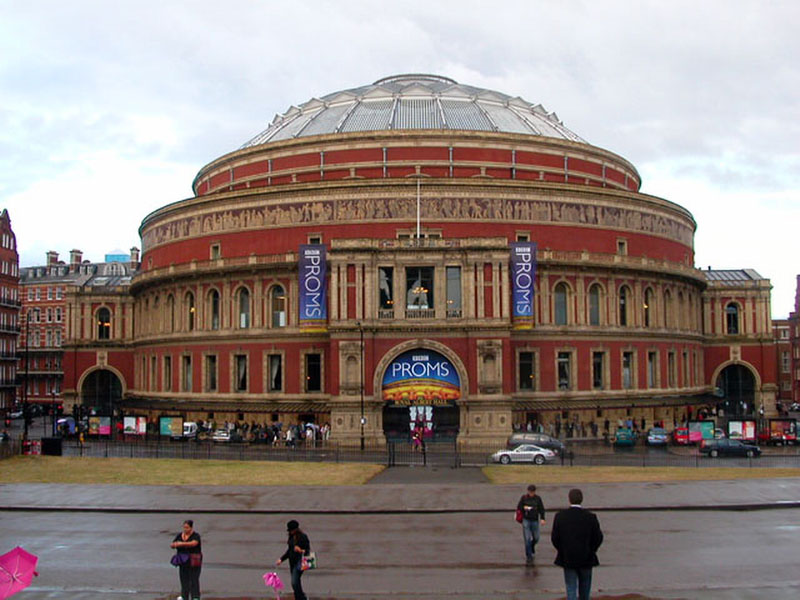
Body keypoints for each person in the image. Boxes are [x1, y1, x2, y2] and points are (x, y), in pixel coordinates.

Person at [551, 488, 603, 600]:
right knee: (585, 590)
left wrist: (563, 550)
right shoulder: (590, 517)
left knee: (571, 589)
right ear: (581, 499)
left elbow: (555, 538)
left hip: (568, 558)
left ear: (569, 499)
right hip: (586, 557)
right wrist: (591, 550)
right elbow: (598, 537)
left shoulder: (560, 516)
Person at [276, 519, 311, 600]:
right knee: (296, 582)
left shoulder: (303, 537)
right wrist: (281, 559)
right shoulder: (291, 538)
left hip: (301, 562)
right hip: (292, 562)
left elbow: (308, 550)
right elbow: (289, 551)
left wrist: (301, 550)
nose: (290, 532)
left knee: (294, 582)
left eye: (291, 530)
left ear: (295, 529)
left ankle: (302, 598)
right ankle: (299, 598)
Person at [171, 518, 202, 600]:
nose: (185, 529)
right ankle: (184, 596)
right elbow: (173, 544)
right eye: (184, 527)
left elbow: (194, 543)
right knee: (183, 578)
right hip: (183, 560)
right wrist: (175, 545)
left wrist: (181, 544)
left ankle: (195, 597)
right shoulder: (179, 535)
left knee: (194, 579)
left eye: (187, 527)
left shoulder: (196, 535)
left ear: (191, 528)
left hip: (193, 560)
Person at [516, 484, 546, 565]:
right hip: (526, 520)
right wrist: (524, 508)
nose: (531, 493)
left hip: (535, 520)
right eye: (530, 492)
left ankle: (532, 546)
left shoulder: (538, 499)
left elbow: (541, 509)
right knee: (527, 538)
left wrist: (543, 518)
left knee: (536, 537)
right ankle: (529, 555)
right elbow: (519, 507)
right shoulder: (524, 498)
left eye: (532, 492)